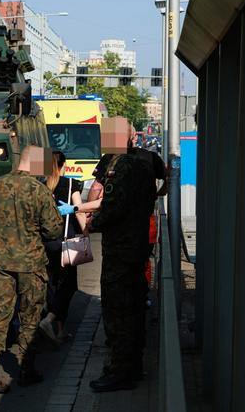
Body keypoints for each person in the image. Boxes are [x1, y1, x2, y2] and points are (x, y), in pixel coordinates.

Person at [0, 145, 63, 394]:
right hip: (31, 265)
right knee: (30, 318)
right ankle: (26, 369)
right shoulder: (39, 190)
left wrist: (1, 230)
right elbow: (54, 230)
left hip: (1, 263)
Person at [86, 150, 156, 393]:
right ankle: (132, 367)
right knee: (134, 309)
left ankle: (119, 371)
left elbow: (112, 208)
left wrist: (91, 223)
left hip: (120, 253)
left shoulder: (119, 167)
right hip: (136, 250)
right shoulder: (143, 169)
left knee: (117, 312)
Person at [40, 151, 88, 344]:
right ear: (63, 165)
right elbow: (79, 211)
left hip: (44, 242)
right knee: (68, 285)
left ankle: (60, 330)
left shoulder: (40, 185)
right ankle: (50, 319)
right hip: (65, 242)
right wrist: (86, 232)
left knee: (51, 285)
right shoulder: (70, 184)